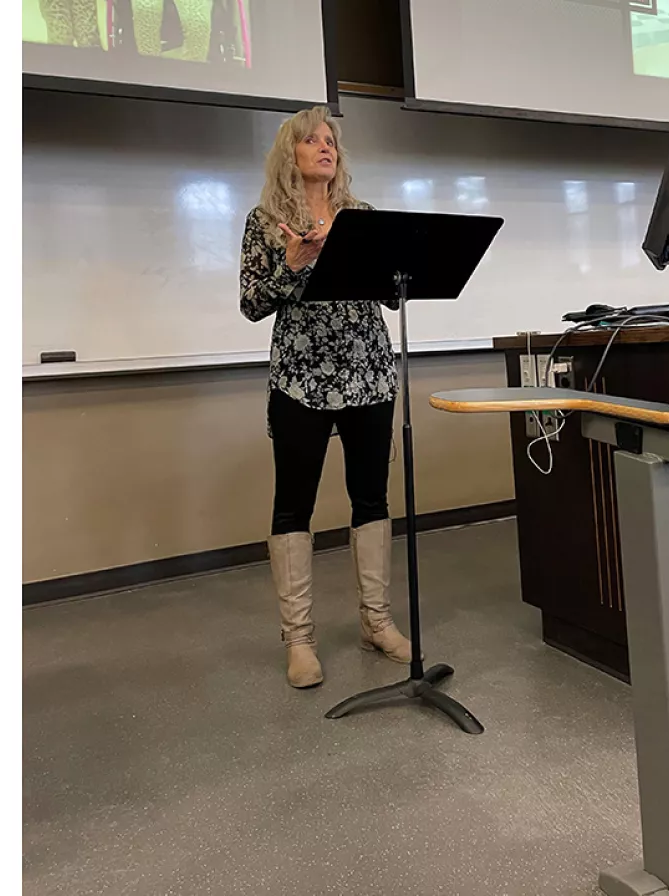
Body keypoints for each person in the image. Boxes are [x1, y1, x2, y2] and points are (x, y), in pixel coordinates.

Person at [239, 106, 414, 689]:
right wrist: (293, 265)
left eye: (331, 140)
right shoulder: (265, 222)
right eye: (311, 139)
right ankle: (299, 639)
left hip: (368, 374)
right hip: (299, 381)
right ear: (289, 152)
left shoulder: (361, 216)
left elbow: (390, 292)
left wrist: (402, 272)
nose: (325, 147)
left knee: (371, 499)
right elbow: (252, 304)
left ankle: (376, 621)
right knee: (294, 505)